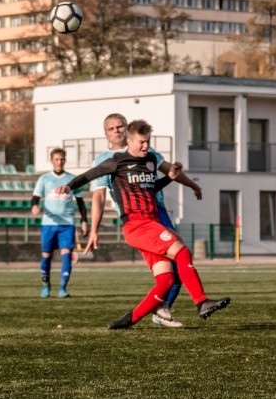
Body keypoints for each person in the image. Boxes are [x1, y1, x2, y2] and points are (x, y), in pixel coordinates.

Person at [59, 119, 230, 329]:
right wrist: (68, 187)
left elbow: (152, 186)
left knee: (166, 279)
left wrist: (170, 177)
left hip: (151, 222)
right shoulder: (116, 161)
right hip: (137, 224)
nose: (145, 146)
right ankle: (201, 301)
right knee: (182, 251)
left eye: (147, 141)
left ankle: (130, 319)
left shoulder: (150, 159)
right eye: (141, 142)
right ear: (129, 141)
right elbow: (88, 176)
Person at [88, 113, 203, 328]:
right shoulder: (105, 160)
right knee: (173, 264)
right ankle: (166, 308)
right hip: (136, 218)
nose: (116, 131)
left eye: (120, 126)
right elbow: (99, 195)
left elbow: (170, 171)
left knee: (173, 271)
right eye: (111, 128)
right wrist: (94, 229)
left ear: (127, 129)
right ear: (105, 134)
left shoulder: (146, 150)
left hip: (157, 212)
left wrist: (193, 185)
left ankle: (159, 309)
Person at [31, 148, 89, 298]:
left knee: (66, 254)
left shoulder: (72, 179)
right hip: (48, 223)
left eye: (62, 159)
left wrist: (84, 221)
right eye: (56, 159)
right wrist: (34, 206)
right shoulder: (44, 179)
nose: (59, 162)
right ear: (52, 161)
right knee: (46, 255)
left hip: (67, 224)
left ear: (65, 160)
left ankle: (63, 288)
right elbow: (35, 198)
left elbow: (81, 203)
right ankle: (46, 285)